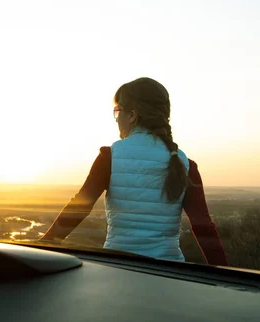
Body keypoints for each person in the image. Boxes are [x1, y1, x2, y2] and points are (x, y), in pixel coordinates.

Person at [41, 77, 228, 265]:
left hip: (118, 269)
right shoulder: (184, 164)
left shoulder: (110, 158)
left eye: (117, 111)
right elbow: (204, 227)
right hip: (170, 273)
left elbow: (79, 207)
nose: (116, 119)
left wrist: (42, 247)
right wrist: (226, 275)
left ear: (131, 115)